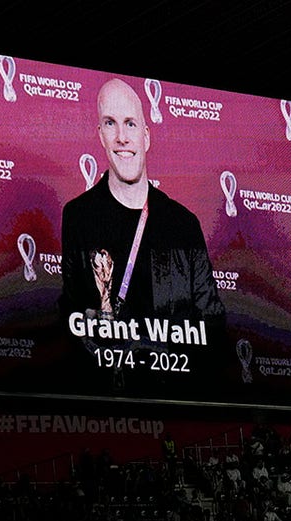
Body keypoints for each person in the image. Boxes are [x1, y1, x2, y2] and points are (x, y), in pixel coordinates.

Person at [60, 78, 225, 393]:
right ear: (100, 135)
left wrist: (165, 353)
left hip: (176, 390)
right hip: (107, 390)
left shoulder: (183, 224)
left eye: (131, 124)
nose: (122, 137)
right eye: (111, 123)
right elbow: (71, 314)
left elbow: (211, 319)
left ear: (146, 136)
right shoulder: (79, 217)